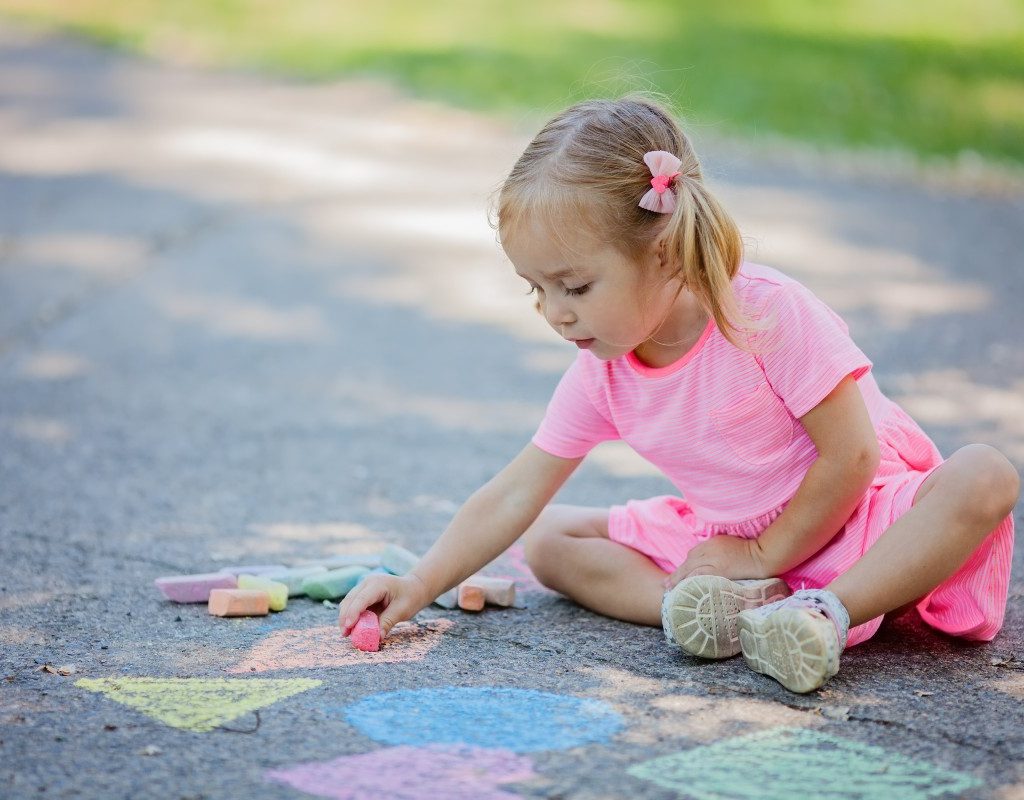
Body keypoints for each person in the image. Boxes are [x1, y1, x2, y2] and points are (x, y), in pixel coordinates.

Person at [338, 95, 1019, 693]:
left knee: (984, 475)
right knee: (546, 539)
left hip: (859, 528)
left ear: (661, 251)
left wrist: (762, 557)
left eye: (574, 286)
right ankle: (713, 612)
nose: (553, 312)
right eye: (535, 288)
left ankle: (824, 615)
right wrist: (422, 583)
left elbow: (853, 458)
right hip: (729, 542)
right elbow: (515, 493)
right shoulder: (603, 369)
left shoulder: (763, 314)